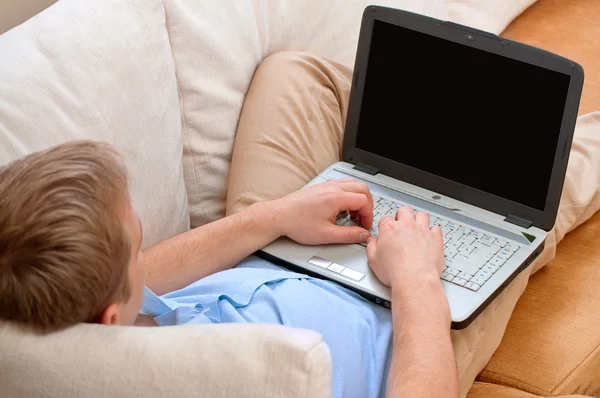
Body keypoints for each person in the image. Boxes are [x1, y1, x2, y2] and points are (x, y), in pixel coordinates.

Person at [1, 51, 599, 398]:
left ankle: (410, 146)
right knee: (520, 210)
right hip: (418, 322)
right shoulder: (246, 379)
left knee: (294, 73)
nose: (143, 236)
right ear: (108, 319)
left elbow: (145, 278)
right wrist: (417, 278)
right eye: (135, 237)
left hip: (285, 251)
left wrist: (275, 216)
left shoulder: (68, 313)